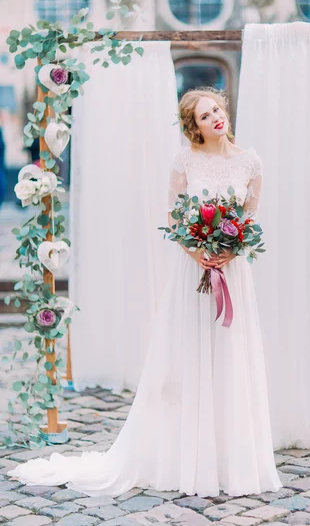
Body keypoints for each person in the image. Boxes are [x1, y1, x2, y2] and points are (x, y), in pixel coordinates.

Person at [8, 87, 283, 498]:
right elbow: (175, 217)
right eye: (205, 117)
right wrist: (199, 253)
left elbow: (250, 218)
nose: (215, 119)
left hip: (233, 272)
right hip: (192, 273)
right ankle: (188, 454)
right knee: (188, 354)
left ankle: (231, 456)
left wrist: (228, 250)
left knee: (230, 351)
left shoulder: (251, 162)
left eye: (217, 110)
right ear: (195, 127)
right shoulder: (186, 160)